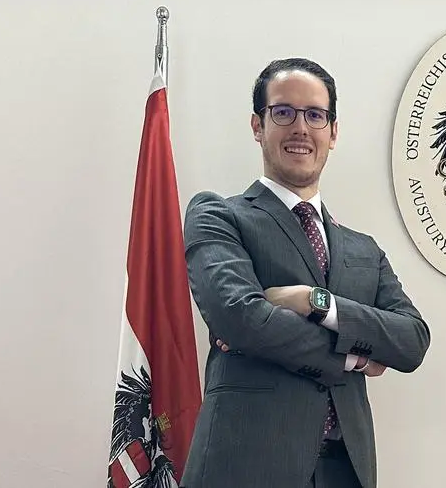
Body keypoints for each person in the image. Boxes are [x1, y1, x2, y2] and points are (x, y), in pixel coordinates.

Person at [181, 57, 431, 488]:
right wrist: (355, 356)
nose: (300, 127)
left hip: (345, 470)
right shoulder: (218, 216)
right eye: (283, 112)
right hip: (244, 467)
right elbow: (240, 318)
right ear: (258, 126)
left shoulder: (364, 249)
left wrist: (315, 303)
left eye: (315, 115)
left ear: (332, 132)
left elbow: (411, 341)